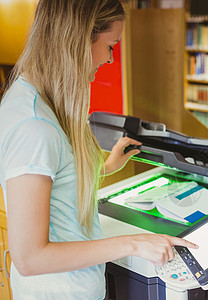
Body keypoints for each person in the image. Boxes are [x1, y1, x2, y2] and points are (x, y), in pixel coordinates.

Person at [0, 0, 197, 299]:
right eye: (111, 45)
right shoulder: (34, 126)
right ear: (78, 41)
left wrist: (103, 168)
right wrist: (133, 243)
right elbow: (30, 258)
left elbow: (53, 180)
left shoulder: (37, 98)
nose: (108, 58)